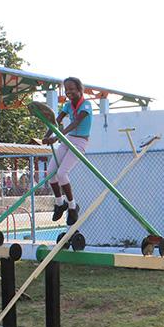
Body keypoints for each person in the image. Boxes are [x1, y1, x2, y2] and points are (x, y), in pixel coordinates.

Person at [40, 77, 92, 227]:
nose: (68, 92)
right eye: (66, 89)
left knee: (62, 173)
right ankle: (59, 203)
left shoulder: (86, 105)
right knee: (51, 172)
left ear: (79, 89)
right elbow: (56, 121)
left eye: (71, 89)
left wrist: (57, 137)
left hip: (80, 141)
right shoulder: (68, 106)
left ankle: (72, 206)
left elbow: (76, 122)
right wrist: (47, 135)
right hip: (67, 138)